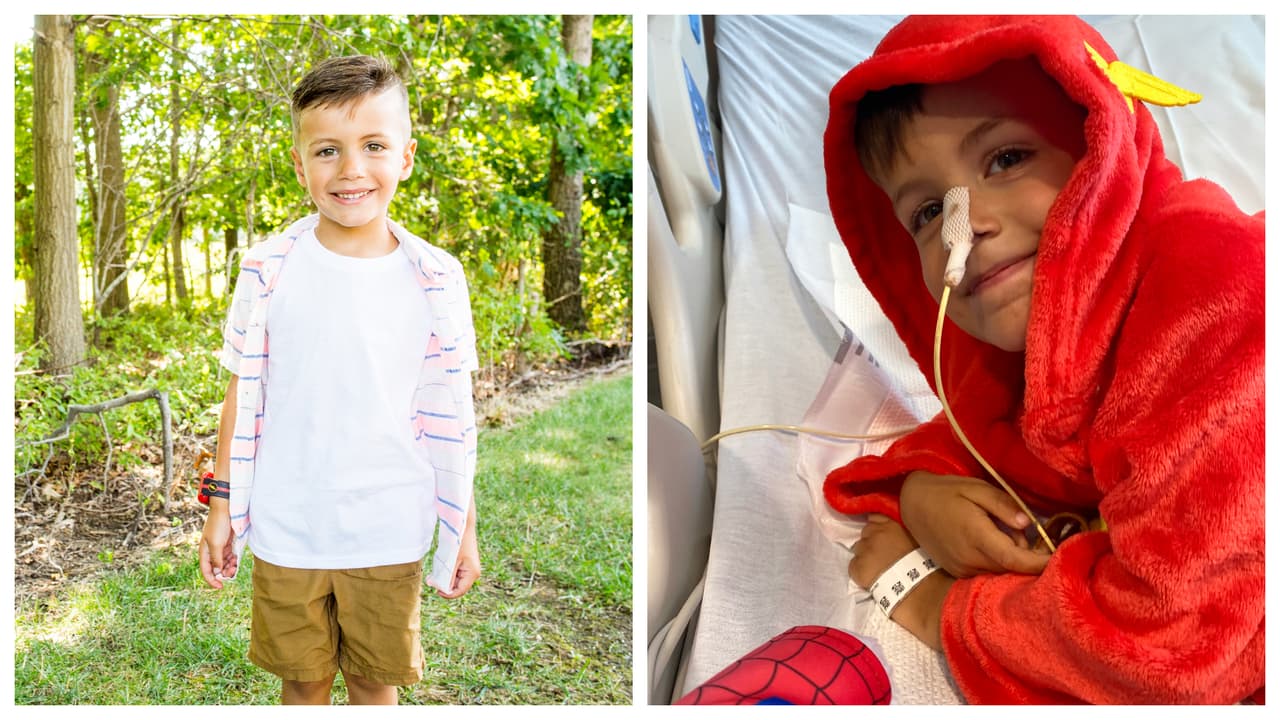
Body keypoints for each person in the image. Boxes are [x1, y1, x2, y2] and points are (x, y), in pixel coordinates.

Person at [822, 16, 1263, 704]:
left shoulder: (1221, 297)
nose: (968, 228)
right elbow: (979, 432)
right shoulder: (1028, 344)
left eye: (1006, 159)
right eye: (930, 211)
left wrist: (936, 604)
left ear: (1103, 143)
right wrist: (919, 496)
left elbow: (1167, 653)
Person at [198, 55, 481, 705]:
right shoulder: (267, 269)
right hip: (287, 524)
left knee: (374, 683)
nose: (351, 169)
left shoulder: (437, 278)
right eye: (327, 150)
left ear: (406, 157)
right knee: (301, 682)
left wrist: (463, 524)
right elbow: (241, 392)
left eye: (373, 146)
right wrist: (220, 504)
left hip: (390, 524)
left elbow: (450, 413)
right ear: (300, 165)